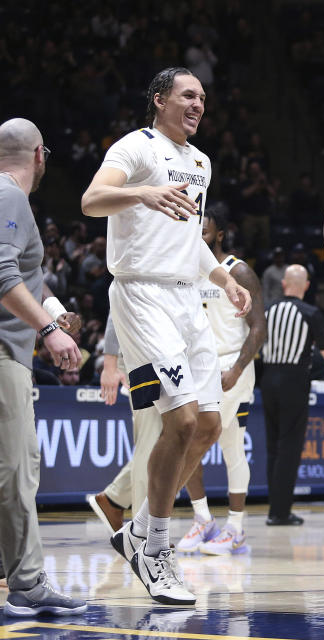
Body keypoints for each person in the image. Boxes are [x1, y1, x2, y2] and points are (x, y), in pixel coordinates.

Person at [80, 67, 251, 606]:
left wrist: (224, 280)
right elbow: (91, 200)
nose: (198, 104)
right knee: (178, 419)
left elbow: (191, 241)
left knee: (206, 423)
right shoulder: (136, 146)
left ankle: (137, 531)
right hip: (142, 294)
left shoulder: (201, 162)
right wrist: (144, 193)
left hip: (189, 299)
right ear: (159, 100)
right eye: (187, 95)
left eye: (202, 97)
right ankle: (154, 547)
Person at [0, 117, 87, 616]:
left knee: (17, 467)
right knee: (16, 471)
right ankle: (28, 583)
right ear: (39, 155)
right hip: (5, 354)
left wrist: (53, 312)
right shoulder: (11, 197)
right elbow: (4, 273)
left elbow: (27, 279)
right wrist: (48, 332)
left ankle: (19, 573)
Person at [178, 208, 266, 554]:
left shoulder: (238, 270)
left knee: (209, 444)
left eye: (205, 231)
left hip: (232, 367)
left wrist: (238, 368)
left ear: (220, 235)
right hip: (197, 369)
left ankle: (236, 527)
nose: (197, 235)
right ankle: (205, 521)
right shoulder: (187, 272)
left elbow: (259, 327)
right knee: (214, 444)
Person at [261, 264, 324, 526]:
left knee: (273, 447)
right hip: (294, 381)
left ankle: (274, 509)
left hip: (267, 379)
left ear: (284, 284)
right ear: (306, 287)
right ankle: (281, 512)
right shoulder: (309, 312)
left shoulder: (268, 309)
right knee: (289, 448)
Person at [86, 315, 163, 534]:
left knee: (167, 438)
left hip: (163, 354)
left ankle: (114, 499)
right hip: (140, 354)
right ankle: (142, 529)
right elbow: (116, 304)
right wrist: (109, 364)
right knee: (152, 439)